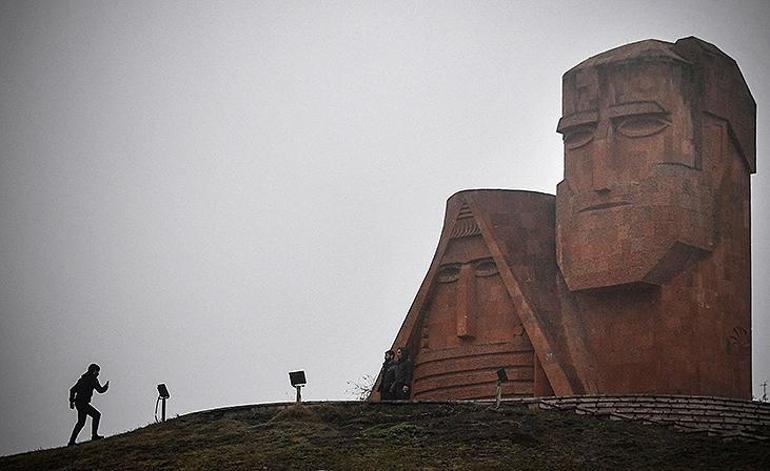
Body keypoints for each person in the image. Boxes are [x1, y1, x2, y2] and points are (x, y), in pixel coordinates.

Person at [68, 363, 110, 446]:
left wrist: (72, 402)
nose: (98, 374)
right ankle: (94, 435)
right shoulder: (93, 379)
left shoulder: (82, 379)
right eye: (97, 372)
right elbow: (100, 390)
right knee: (96, 415)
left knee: (81, 422)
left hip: (79, 403)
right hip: (83, 403)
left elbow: (72, 390)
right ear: (94, 371)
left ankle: (71, 442)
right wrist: (106, 387)